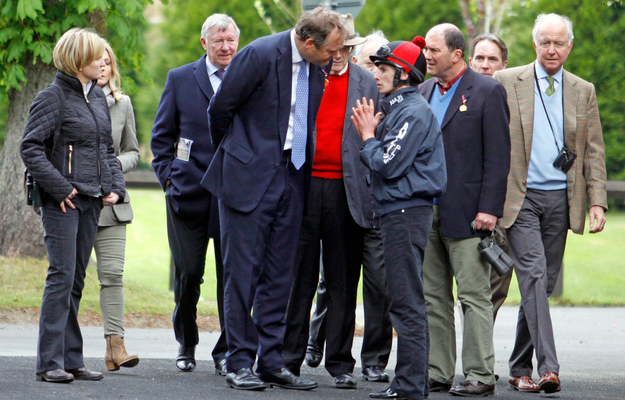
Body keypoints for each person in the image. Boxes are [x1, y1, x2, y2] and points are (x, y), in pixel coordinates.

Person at [202, 6, 346, 391]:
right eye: (331, 49)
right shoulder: (260, 53)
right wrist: (239, 157)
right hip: (247, 178)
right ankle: (238, 362)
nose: (337, 57)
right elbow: (220, 109)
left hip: (294, 176)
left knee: (281, 274)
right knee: (241, 274)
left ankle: (271, 361)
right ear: (309, 42)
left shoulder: (317, 66)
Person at [493, 13, 607, 394]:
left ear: (569, 46)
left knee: (540, 283)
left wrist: (598, 201)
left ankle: (518, 367)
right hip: (519, 198)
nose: (552, 49)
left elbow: (593, 149)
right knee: (535, 275)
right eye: (545, 42)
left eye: (559, 42)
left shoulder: (583, 89)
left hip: (562, 198)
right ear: (534, 43)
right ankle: (549, 368)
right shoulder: (507, 81)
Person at [21, 27, 125, 383]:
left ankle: (71, 359)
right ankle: (49, 363)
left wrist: (115, 187)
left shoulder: (97, 97)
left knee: (76, 280)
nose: (104, 61)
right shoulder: (52, 98)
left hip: (93, 201)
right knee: (61, 278)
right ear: (77, 59)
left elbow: (106, 150)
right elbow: (30, 147)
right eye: (97, 56)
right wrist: (61, 187)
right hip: (62, 202)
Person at [282, 14, 381, 389]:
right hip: (303, 187)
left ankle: (340, 362)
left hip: (346, 190)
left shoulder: (366, 81)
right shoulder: (303, 74)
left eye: (344, 49)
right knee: (299, 280)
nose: (337, 55)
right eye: (333, 49)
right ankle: (288, 358)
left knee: (342, 281)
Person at [351, 37, 447, 400]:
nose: (376, 74)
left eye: (383, 68)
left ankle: (409, 387)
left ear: (403, 73)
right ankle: (410, 384)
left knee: (406, 302)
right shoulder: (401, 108)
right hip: (400, 212)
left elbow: (387, 163)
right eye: (376, 66)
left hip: (405, 213)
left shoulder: (413, 110)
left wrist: (368, 136)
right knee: (405, 301)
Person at [418, 23, 510, 397]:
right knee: (432, 296)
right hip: (425, 210)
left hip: (470, 213)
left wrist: (489, 208)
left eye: (434, 50)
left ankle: (480, 375)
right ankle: (438, 372)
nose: (427, 55)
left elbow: (498, 156)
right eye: (426, 48)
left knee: (473, 298)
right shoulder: (423, 90)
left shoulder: (488, 91)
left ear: (457, 55)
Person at [151, 13, 239, 374]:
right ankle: (186, 343)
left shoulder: (247, 78)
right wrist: (170, 179)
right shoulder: (180, 78)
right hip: (188, 194)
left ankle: (227, 350)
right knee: (188, 274)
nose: (226, 47)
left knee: (232, 277)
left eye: (231, 40)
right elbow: (161, 138)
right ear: (205, 43)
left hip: (233, 196)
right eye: (218, 41)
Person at [93, 42, 141, 372]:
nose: (103, 67)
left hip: (112, 205)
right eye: (98, 61)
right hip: (75, 203)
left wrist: (112, 167)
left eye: (108, 62)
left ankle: (117, 346)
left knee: (112, 274)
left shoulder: (122, 105)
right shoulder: (68, 103)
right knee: (69, 280)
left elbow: (133, 151)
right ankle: (62, 349)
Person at [469, 33, 513, 323]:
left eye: (492, 59)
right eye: (480, 58)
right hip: (458, 204)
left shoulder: (510, 98)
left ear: (504, 64)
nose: (485, 65)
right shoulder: (452, 97)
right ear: (469, 61)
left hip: (502, 205)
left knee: (496, 283)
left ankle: (479, 351)